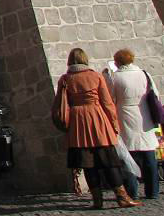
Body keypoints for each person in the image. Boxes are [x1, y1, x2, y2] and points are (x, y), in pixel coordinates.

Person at [53, 48, 139, 209]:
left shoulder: (65, 79)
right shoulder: (95, 76)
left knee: (88, 164)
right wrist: (114, 124)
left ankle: (97, 200)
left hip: (77, 122)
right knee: (110, 162)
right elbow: (107, 103)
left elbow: (61, 102)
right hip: (97, 119)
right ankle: (122, 197)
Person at [106, 49, 159, 200]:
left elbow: (111, 98)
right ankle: (153, 191)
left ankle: (132, 191)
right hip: (144, 114)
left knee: (128, 156)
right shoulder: (144, 73)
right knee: (149, 154)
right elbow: (155, 93)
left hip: (125, 114)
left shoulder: (115, 77)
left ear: (117, 61)